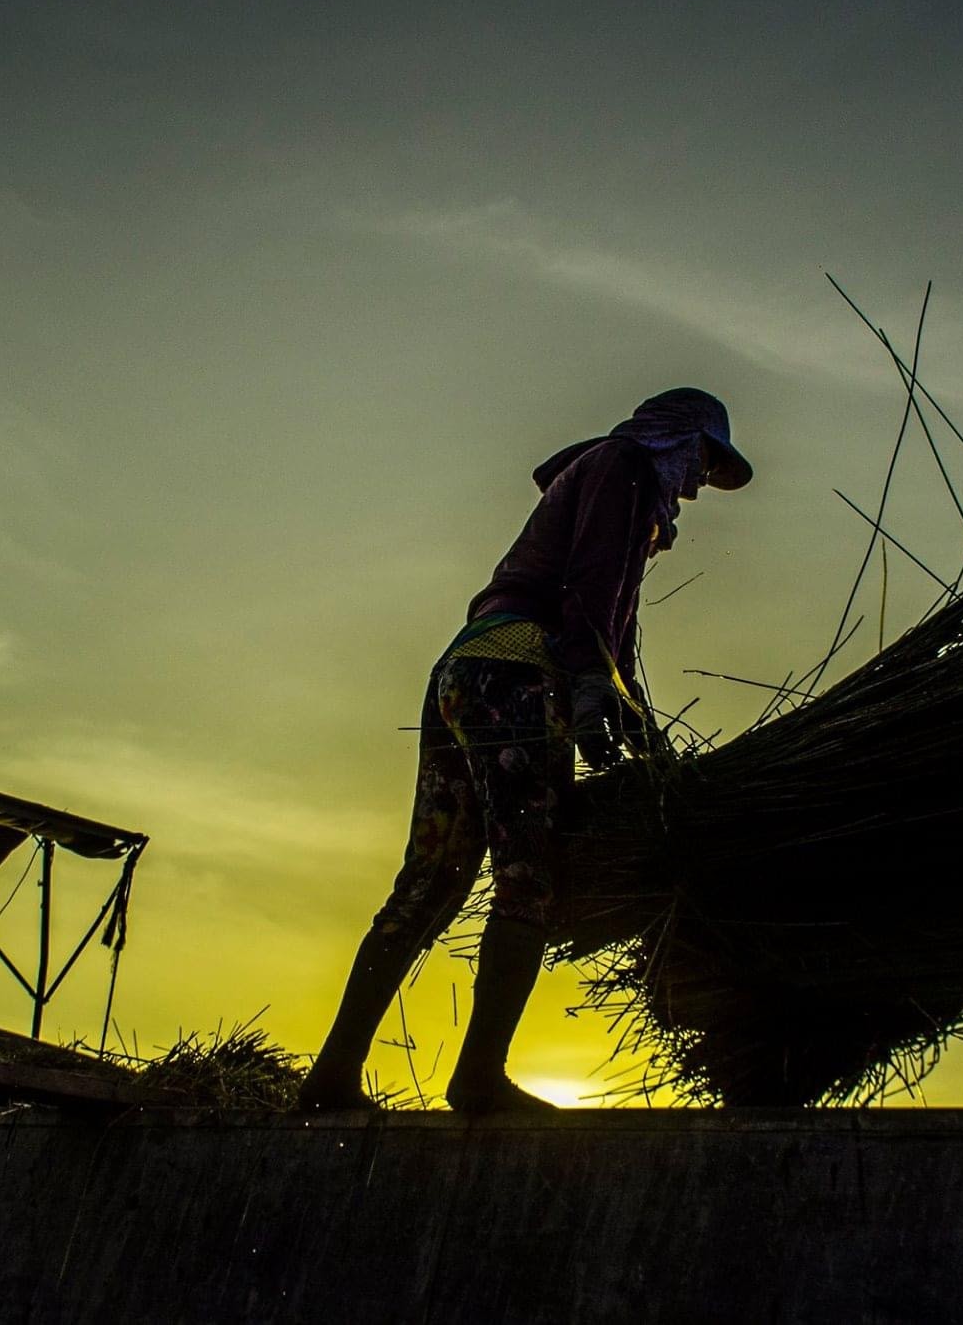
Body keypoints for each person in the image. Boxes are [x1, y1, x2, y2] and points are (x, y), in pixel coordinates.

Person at [298, 387, 753, 1113]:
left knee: (432, 877)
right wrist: (588, 685)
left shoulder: (605, 477)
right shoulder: (626, 468)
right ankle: (478, 1078)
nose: (700, 482)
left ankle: (329, 1078)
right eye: (703, 458)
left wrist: (629, 709)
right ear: (676, 439)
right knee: (528, 875)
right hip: (520, 674)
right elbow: (592, 591)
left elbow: (609, 617)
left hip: (466, 669)